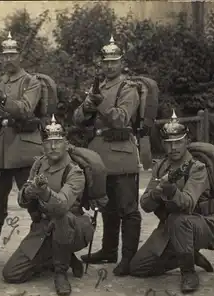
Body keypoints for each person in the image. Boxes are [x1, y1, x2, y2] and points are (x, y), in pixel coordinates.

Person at [74, 36, 146, 276]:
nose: (109, 66)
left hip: (122, 154)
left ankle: (129, 258)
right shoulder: (99, 87)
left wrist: (99, 103)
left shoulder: (129, 88)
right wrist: (86, 107)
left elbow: (121, 118)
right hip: (99, 155)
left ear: (121, 63)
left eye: (114, 62)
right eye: (106, 62)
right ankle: (108, 250)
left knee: (128, 208)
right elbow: (77, 118)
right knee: (107, 206)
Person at [2, 115, 94, 296]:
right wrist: (28, 192)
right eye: (48, 142)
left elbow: (62, 206)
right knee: (11, 274)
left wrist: (44, 192)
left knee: (62, 217)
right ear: (42, 145)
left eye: (58, 142)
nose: (53, 147)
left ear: (66, 143)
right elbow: (22, 200)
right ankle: (54, 256)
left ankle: (60, 272)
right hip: (44, 227)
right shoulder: (38, 166)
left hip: (73, 226)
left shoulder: (74, 171)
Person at [129, 111, 214, 293]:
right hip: (169, 227)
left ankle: (188, 273)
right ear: (163, 144)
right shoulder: (161, 167)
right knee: (137, 268)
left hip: (201, 224)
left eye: (178, 142)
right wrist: (156, 193)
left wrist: (171, 190)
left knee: (180, 219)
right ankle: (187, 255)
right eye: (169, 144)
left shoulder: (197, 168)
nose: (174, 148)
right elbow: (145, 205)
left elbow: (187, 203)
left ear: (187, 142)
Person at [0, 32, 43, 261]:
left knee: (34, 200)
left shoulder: (30, 82)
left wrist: (2, 100)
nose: (8, 59)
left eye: (12, 54)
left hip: (23, 149)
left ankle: (43, 247)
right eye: (5, 55)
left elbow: (26, 108)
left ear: (20, 56)